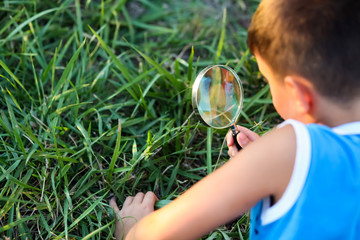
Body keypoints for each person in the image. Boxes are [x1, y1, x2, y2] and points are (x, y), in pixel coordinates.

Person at [109, 0, 360, 238]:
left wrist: (130, 229)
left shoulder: (286, 152)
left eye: (268, 80)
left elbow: (156, 235)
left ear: (299, 94)